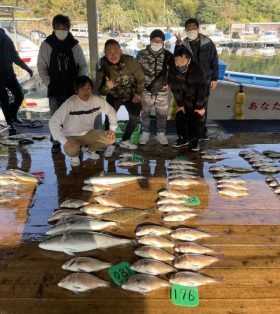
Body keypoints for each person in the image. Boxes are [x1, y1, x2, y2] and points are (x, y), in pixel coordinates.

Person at [37, 14, 88, 153]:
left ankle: (78, 141)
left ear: (68, 28)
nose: (61, 31)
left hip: (73, 89)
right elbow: (41, 67)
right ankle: (56, 143)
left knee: (76, 116)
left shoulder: (75, 45)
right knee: (55, 117)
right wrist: (49, 83)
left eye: (64, 28)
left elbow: (83, 65)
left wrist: (80, 83)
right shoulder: (46, 45)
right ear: (53, 28)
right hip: (54, 89)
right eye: (58, 28)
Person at [49, 75, 117, 167]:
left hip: (89, 133)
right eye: (82, 89)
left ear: (92, 89)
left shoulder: (96, 100)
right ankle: (75, 156)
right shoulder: (70, 103)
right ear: (76, 91)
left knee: (111, 138)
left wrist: (112, 129)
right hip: (72, 136)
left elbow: (111, 111)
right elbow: (53, 122)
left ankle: (90, 149)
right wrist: (64, 141)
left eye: (88, 88)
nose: (86, 91)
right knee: (71, 151)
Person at [96, 39, 145, 157]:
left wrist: (139, 93)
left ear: (121, 51)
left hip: (131, 94)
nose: (113, 55)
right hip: (114, 96)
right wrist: (107, 87)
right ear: (105, 53)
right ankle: (110, 143)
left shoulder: (131, 61)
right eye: (109, 52)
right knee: (109, 119)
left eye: (116, 51)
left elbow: (141, 77)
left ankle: (125, 140)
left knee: (135, 117)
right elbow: (100, 90)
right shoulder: (103, 69)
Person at [175, 18, 218, 140]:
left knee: (202, 107)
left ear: (198, 28)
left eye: (193, 28)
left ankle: (202, 132)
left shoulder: (208, 43)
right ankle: (190, 132)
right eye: (188, 28)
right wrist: (177, 44)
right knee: (188, 106)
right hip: (188, 81)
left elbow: (214, 61)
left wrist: (214, 78)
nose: (191, 30)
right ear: (185, 30)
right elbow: (177, 60)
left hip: (204, 80)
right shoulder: (183, 43)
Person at [137, 29, 174, 146]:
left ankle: (161, 134)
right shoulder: (141, 54)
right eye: (154, 40)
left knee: (162, 114)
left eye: (159, 41)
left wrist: (170, 81)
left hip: (162, 91)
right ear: (150, 40)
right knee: (145, 113)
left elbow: (173, 71)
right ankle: (145, 133)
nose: (157, 42)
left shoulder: (168, 55)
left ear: (163, 42)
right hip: (146, 91)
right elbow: (136, 72)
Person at [168, 46, 207, 151]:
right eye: (176, 61)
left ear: (189, 60)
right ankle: (183, 138)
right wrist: (180, 104)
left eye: (182, 61)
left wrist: (200, 106)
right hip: (183, 97)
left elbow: (202, 89)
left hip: (198, 97)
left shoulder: (197, 69)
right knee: (180, 115)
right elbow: (175, 88)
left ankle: (195, 140)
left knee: (198, 117)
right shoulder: (172, 70)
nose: (179, 64)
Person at [0, 28, 33, 135]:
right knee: (4, 100)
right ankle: (10, 123)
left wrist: (27, 68)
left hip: (9, 75)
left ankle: (12, 114)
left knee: (19, 96)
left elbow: (16, 58)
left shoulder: (8, 41)